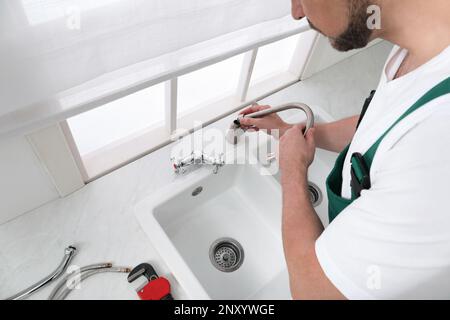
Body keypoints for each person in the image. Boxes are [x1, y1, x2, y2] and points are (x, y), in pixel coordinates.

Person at [239, 0, 450, 299]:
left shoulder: (437, 147)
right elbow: (376, 129)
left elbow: (312, 292)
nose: (296, 11)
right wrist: (291, 133)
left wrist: (293, 172)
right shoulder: (417, 47)